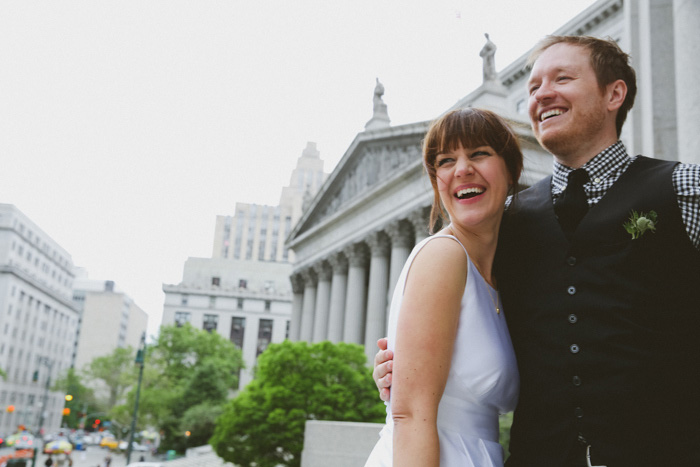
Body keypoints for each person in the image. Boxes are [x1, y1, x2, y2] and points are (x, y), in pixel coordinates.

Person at [373, 35, 700, 467]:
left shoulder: (683, 189)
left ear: (614, 93)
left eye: (562, 78)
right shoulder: (506, 223)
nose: (542, 94)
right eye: (532, 88)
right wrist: (408, 372)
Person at [364, 107, 523, 467]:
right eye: (446, 160)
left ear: (511, 170)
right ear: (436, 180)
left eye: (479, 153)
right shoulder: (444, 256)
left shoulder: (497, 274)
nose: (462, 169)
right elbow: (410, 417)